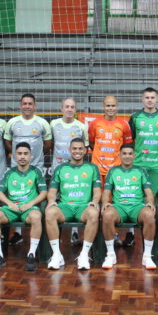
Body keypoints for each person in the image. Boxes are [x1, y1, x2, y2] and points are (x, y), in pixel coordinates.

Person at [0, 142, 47, 272]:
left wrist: (30, 204)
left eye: (25, 154)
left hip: (29, 208)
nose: (22, 156)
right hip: (12, 208)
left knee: (37, 217)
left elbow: (44, 192)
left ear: (30, 155)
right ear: (15, 155)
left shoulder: (36, 171)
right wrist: (9, 203)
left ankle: (31, 254)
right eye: (19, 153)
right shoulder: (9, 173)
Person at [44, 138, 102, 270]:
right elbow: (52, 191)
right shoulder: (60, 168)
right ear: (69, 150)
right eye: (74, 148)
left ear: (85, 151)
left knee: (94, 213)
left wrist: (94, 202)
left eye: (80, 148)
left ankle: (84, 255)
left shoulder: (92, 168)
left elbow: (97, 190)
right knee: (50, 212)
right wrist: (52, 201)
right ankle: (57, 255)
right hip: (65, 207)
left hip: (84, 207)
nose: (77, 151)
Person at [4, 93, 52, 246]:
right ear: (20, 105)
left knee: (34, 199)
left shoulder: (42, 123)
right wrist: (17, 157)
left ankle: (36, 234)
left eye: (30, 103)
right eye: (24, 103)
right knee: (17, 196)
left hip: (36, 167)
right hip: (16, 167)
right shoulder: (12, 122)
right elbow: (7, 142)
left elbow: (48, 143)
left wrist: (35, 158)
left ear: (35, 105)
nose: (27, 106)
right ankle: (17, 233)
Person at [100, 144, 157, 270]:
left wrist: (150, 202)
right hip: (119, 206)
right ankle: (110, 255)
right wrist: (104, 202)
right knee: (107, 214)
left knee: (149, 215)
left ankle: (147, 256)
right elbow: (106, 192)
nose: (127, 156)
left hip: (137, 206)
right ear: (119, 155)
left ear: (134, 155)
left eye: (130, 153)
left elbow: (148, 191)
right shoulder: (113, 171)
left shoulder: (141, 171)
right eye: (124, 153)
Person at [128, 87, 158, 246]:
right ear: (142, 99)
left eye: (153, 97)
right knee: (134, 197)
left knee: (154, 199)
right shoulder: (135, 117)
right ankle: (131, 233)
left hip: (157, 165)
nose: (150, 100)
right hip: (138, 164)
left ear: (157, 99)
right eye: (147, 97)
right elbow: (132, 139)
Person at [50, 97, 90, 246]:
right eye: (66, 106)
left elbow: (84, 147)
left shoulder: (81, 126)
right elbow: (49, 143)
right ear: (61, 108)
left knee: (75, 199)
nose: (69, 109)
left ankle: (74, 232)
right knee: (59, 201)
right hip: (58, 168)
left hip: (77, 170)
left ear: (75, 109)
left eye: (72, 107)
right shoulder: (53, 124)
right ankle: (56, 236)